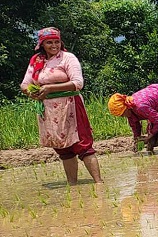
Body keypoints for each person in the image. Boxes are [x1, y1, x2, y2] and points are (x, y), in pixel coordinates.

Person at [19, 27, 103, 185]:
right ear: (42, 44)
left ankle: (99, 183)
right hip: (49, 110)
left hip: (70, 106)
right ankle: (72, 184)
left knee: (82, 144)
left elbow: (78, 83)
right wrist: (30, 92)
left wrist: (51, 88)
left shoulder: (67, 58)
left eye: (56, 42)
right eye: (49, 42)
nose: (53, 45)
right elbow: (25, 83)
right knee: (63, 149)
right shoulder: (37, 61)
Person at [108, 84, 158, 155]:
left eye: (122, 114)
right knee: (151, 128)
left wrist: (148, 137)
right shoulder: (130, 112)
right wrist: (137, 141)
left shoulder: (140, 106)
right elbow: (135, 127)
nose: (123, 116)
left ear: (127, 108)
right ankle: (150, 151)